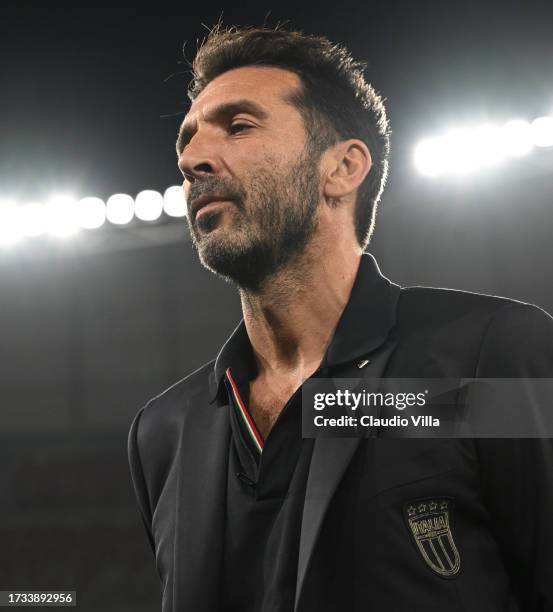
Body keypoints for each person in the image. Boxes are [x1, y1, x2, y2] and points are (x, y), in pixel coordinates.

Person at [128, 24, 553, 612]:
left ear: (343, 169)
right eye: (188, 140)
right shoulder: (165, 431)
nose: (192, 158)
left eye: (240, 126)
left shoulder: (486, 358)